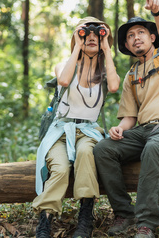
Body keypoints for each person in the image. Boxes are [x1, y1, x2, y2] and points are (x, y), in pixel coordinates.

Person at [93, 0, 159, 238]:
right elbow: (130, 116)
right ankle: (124, 213)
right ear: (127, 46)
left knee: (153, 148)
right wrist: (121, 130)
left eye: (140, 33)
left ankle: (146, 223)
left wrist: (157, 11)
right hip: (143, 131)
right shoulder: (131, 75)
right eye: (130, 36)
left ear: (151, 37)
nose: (136, 38)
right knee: (103, 149)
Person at [33, 16, 120, 238]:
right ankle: (45, 220)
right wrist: (77, 45)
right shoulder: (65, 64)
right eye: (86, 34)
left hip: (89, 131)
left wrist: (106, 47)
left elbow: (114, 85)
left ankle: (85, 216)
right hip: (61, 130)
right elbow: (63, 80)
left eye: (97, 35)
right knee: (60, 169)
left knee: (85, 154)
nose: (92, 38)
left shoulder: (104, 69)